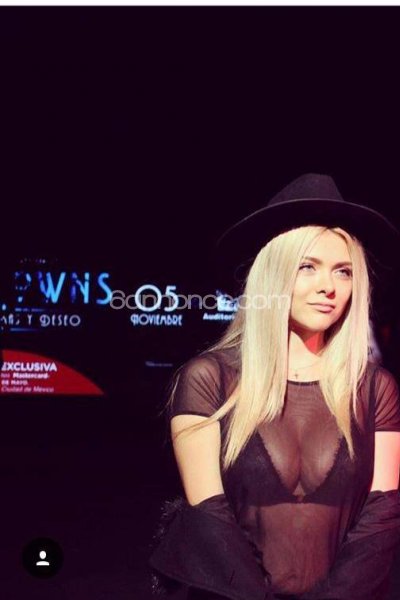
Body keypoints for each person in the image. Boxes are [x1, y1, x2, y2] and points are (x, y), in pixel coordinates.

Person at [149, 173, 400, 600]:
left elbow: (382, 513)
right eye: (307, 266)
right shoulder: (208, 379)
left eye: (343, 271)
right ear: (273, 274)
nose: (329, 287)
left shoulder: (375, 388)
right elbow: (208, 516)